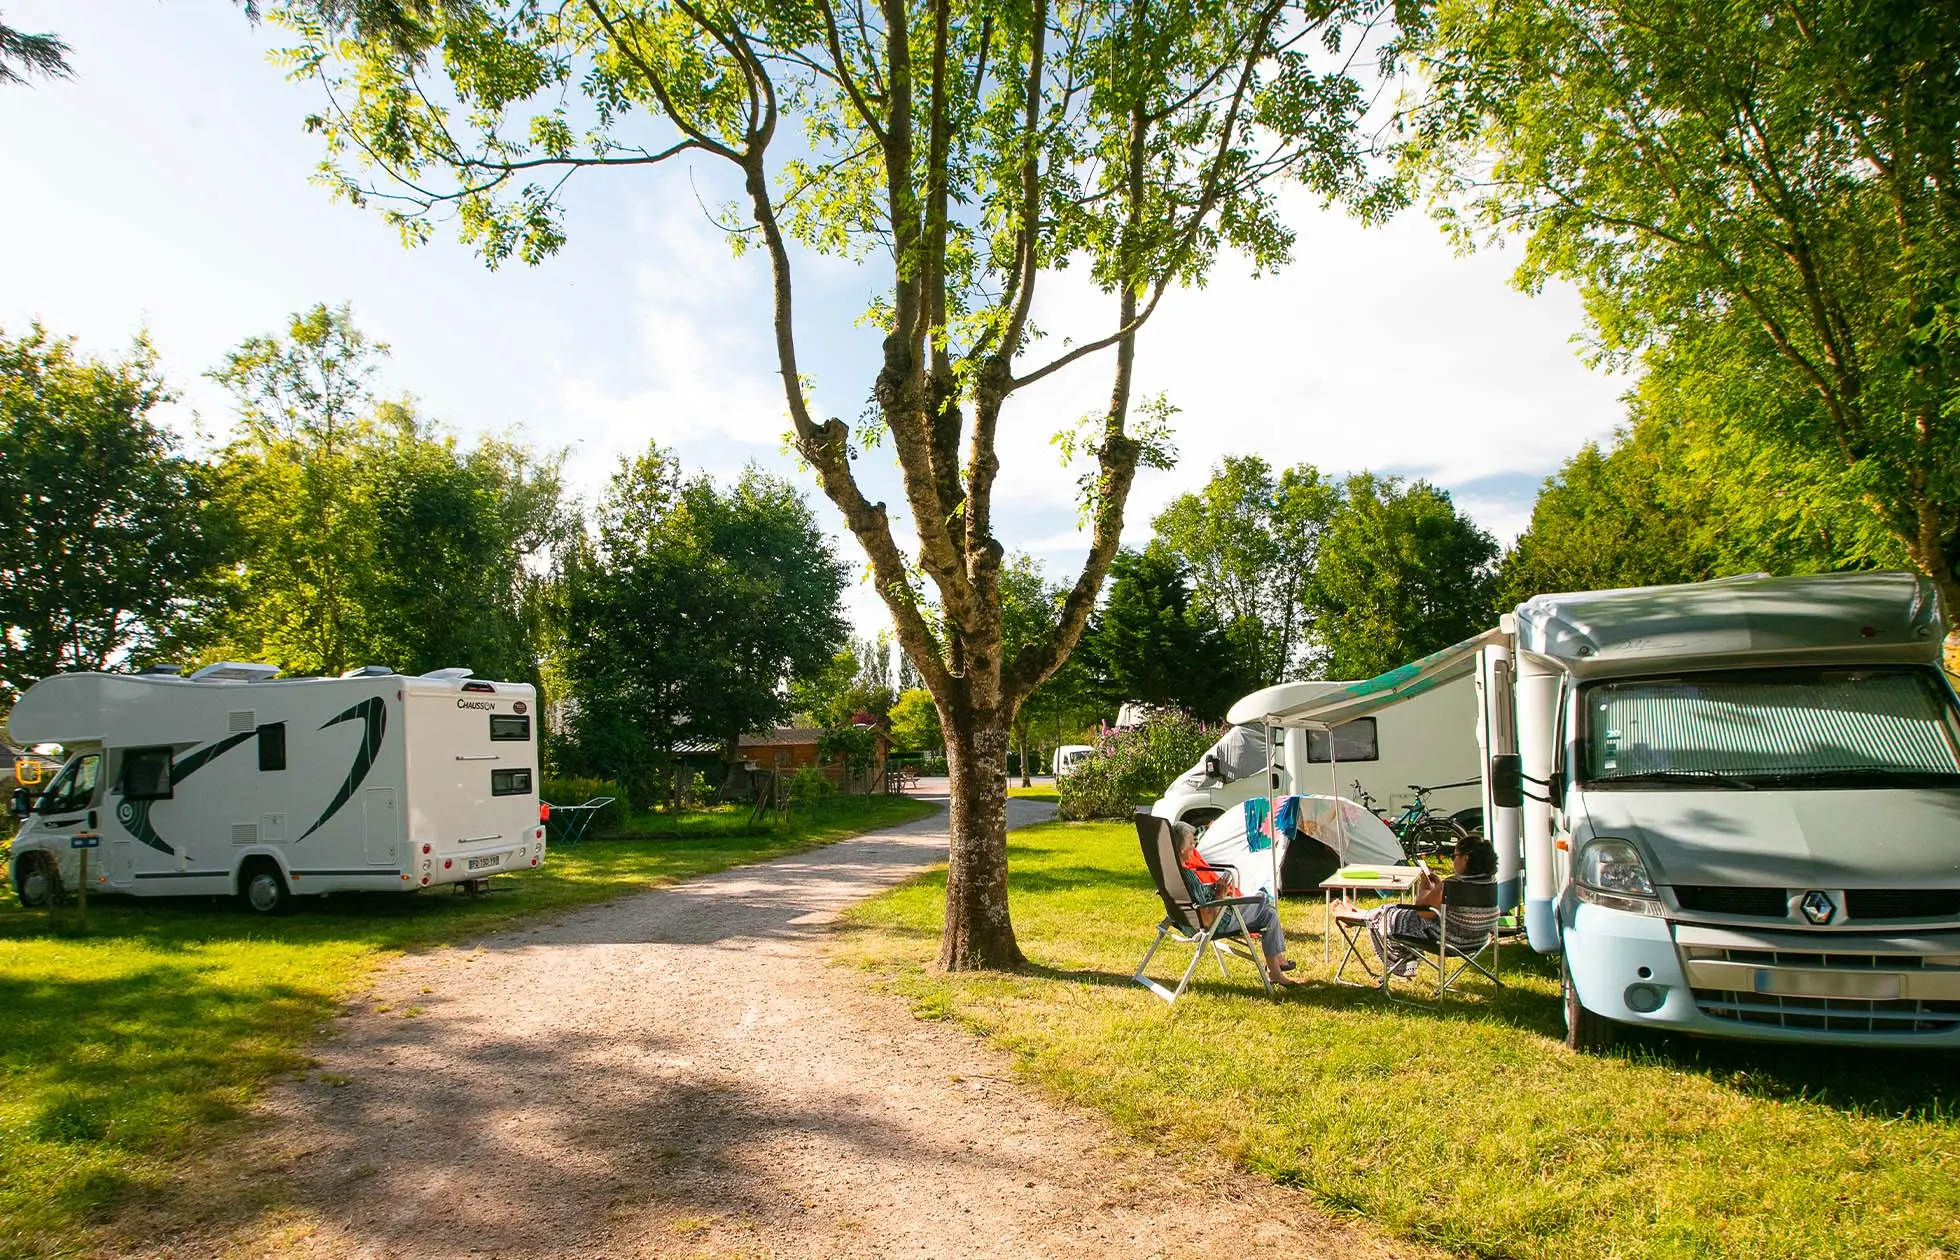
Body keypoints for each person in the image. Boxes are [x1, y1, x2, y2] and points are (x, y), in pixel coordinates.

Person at [1171, 821, 1305, 987]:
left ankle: (1277, 962)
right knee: (1267, 910)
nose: (1194, 847)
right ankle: (1275, 971)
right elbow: (1207, 920)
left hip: (1187, 921)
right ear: (1181, 849)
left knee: (1265, 905)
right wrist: (1220, 894)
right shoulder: (1188, 877)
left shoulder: (1172, 872)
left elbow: (1197, 900)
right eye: (1191, 844)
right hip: (1218, 920)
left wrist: (1213, 889)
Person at [1361, 835, 1499, 980]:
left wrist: (1425, 889)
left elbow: (1422, 911)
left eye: (1454, 856)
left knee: (1388, 913)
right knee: (1391, 912)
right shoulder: (1490, 882)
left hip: (1448, 941)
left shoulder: (1451, 885)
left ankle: (1402, 963)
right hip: (1479, 941)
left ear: (1466, 858)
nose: (1453, 860)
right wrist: (1438, 888)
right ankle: (1360, 913)